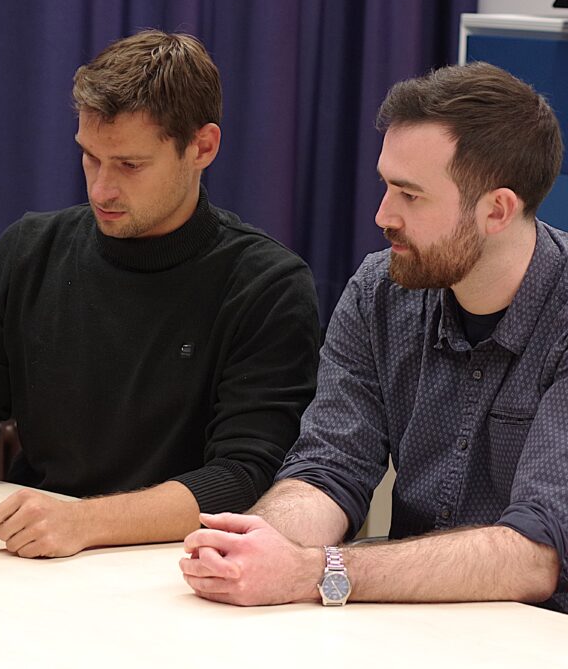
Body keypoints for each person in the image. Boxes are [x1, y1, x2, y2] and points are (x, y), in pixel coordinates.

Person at [0, 30, 321, 557]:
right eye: (90, 157)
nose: (101, 189)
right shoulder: (30, 250)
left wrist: (84, 522)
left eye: (129, 165)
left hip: (181, 564)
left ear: (202, 147)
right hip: (32, 552)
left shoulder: (267, 284)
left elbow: (243, 477)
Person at [180, 62, 567, 612]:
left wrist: (318, 572)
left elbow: (536, 554)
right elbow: (329, 468)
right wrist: (251, 546)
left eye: (410, 195)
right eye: (386, 185)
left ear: (497, 210)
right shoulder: (378, 291)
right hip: (405, 620)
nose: (383, 215)